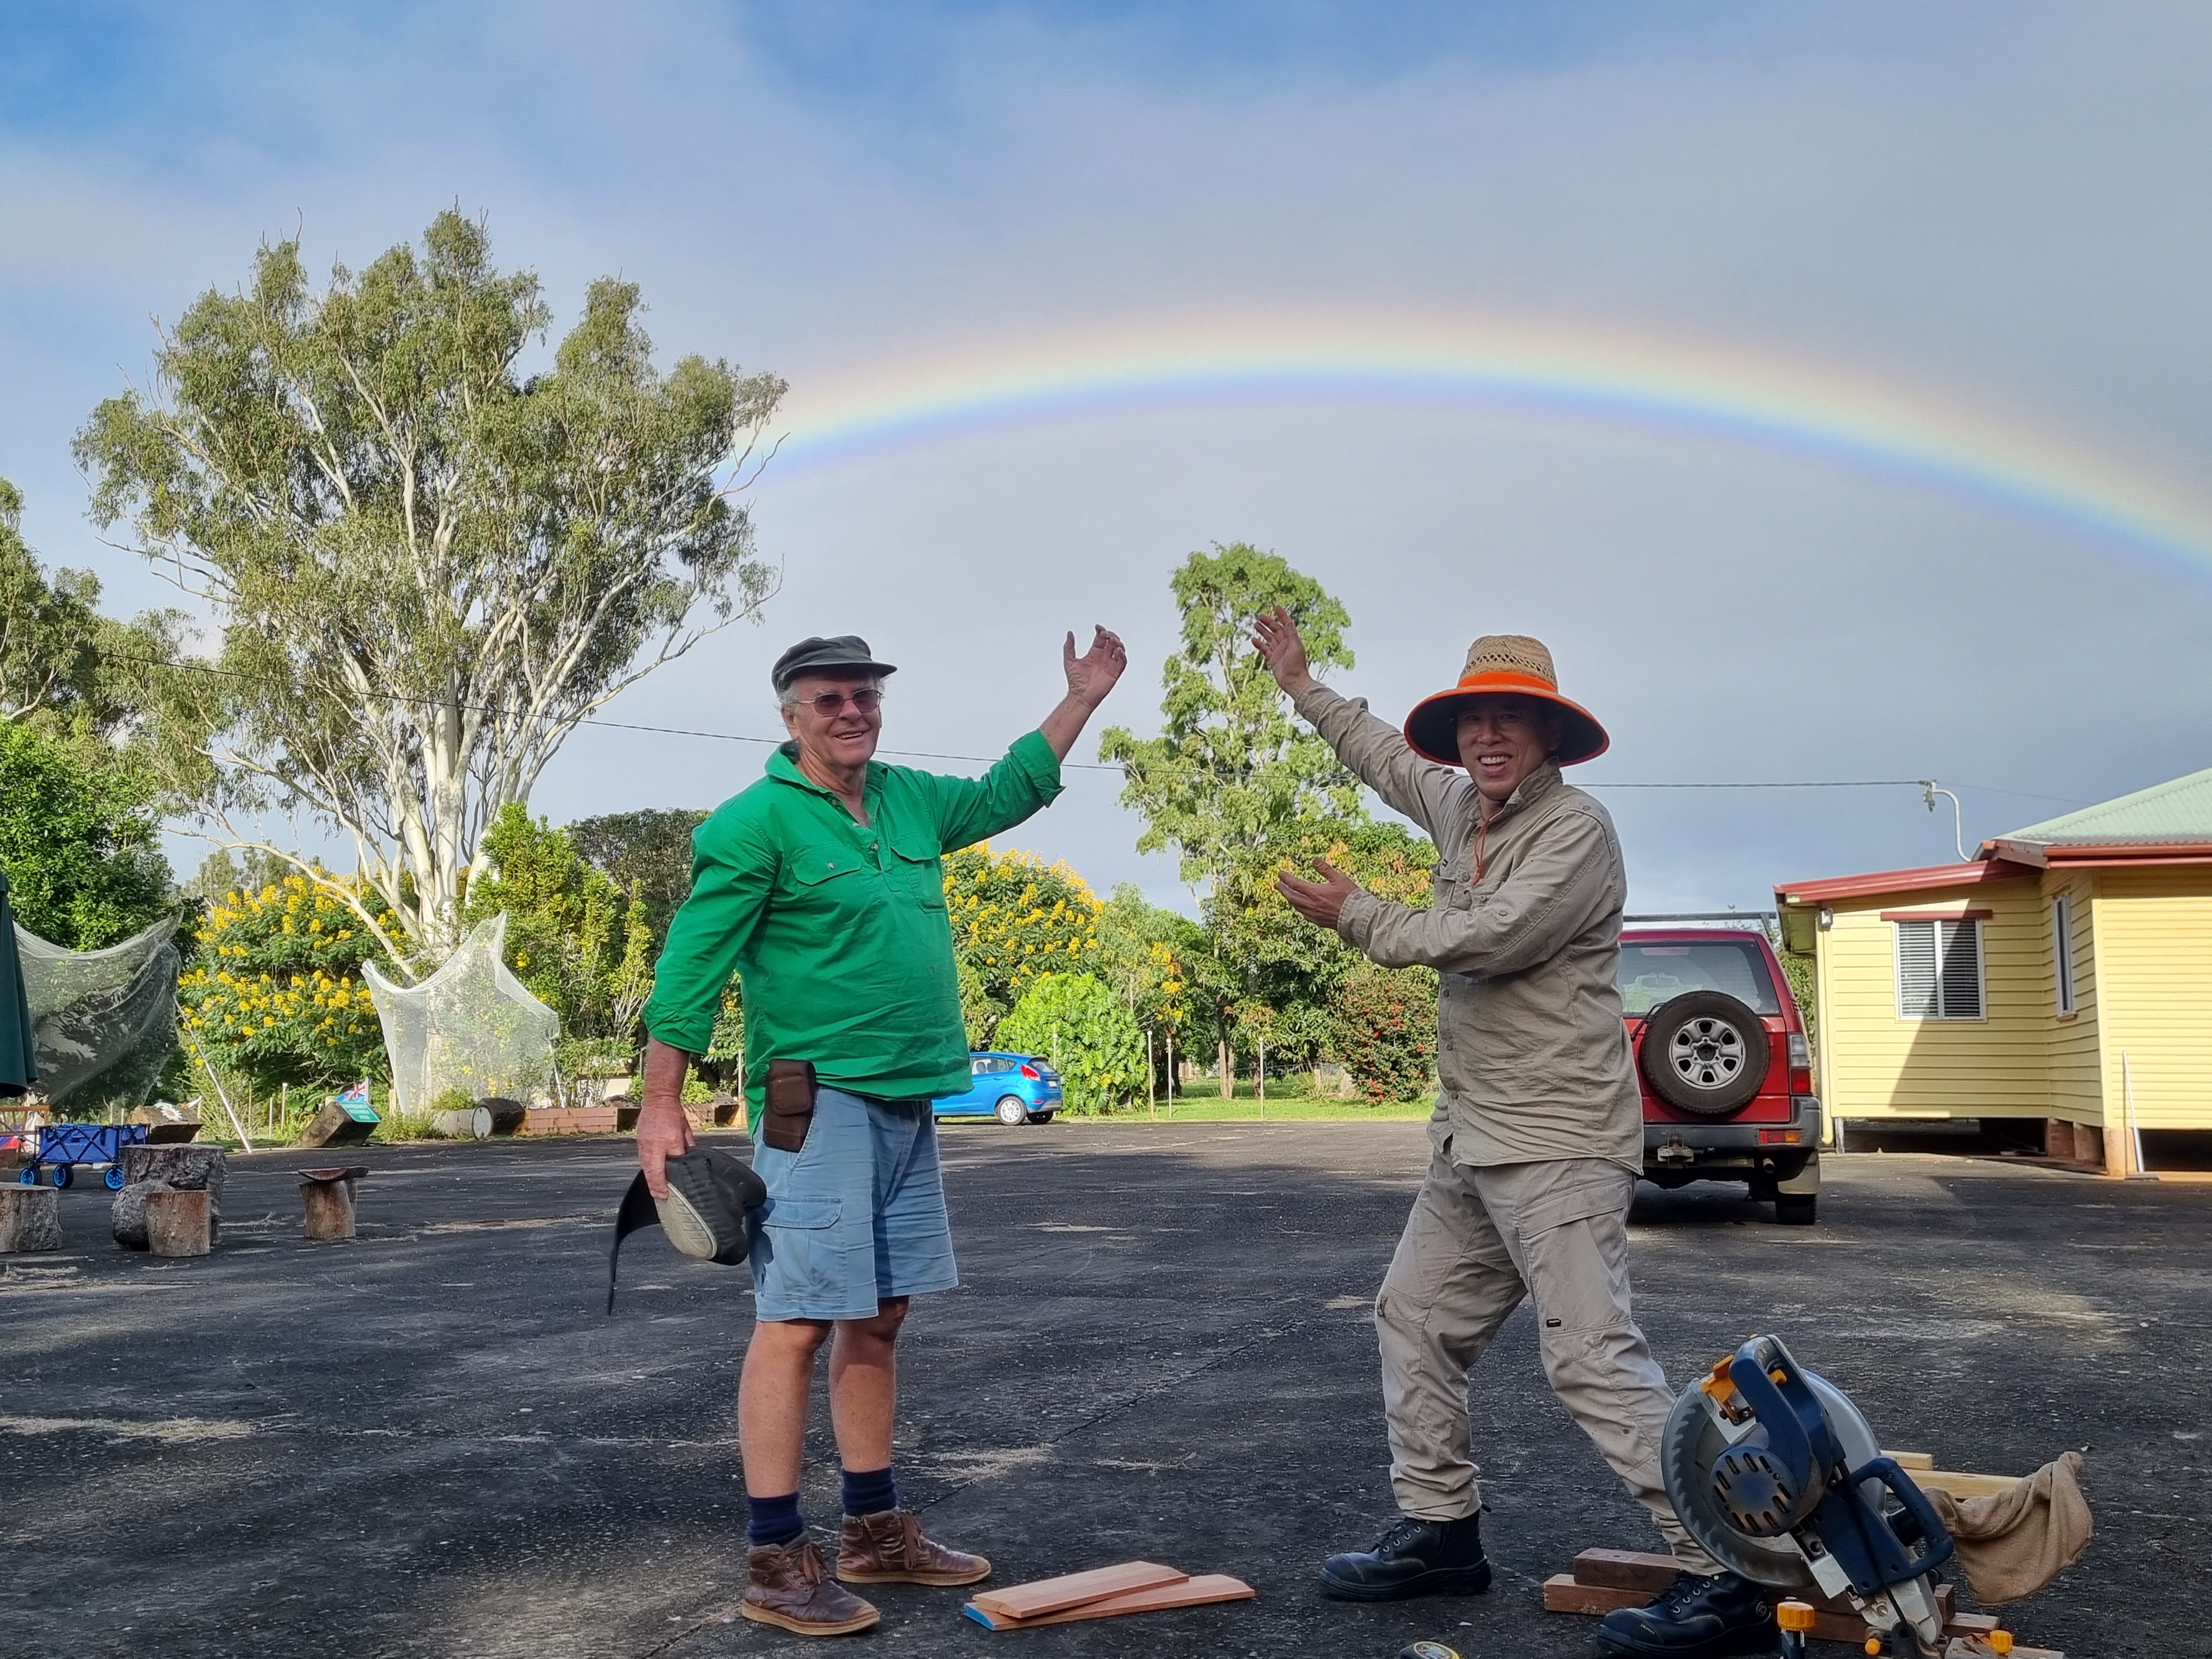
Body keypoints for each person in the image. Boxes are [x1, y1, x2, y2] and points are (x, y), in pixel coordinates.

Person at [1251, 610, 1778, 1659]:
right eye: (1474, 720)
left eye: (1512, 721)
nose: (1488, 738)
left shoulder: (1576, 832)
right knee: (1413, 1316)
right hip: (1472, 1139)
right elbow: (1382, 757)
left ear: (1549, 738)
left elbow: (1490, 937)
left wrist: (1363, 915)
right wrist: (1303, 687)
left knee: (1590, 1359)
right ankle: (1442, 1533)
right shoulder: (1457, 805)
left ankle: (1737, 1576)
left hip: (1560, 1143)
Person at [636, 627, 1127, 1639]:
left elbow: (1007, 791)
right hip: (817, 1101)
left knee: (884, 1312)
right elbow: (692, 964)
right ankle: (775, 1559)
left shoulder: (907, 799)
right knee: (797, 1319)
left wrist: (1081, 698)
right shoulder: (754, 824)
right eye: (830, 699)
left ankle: (873, 1531)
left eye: (864, 694)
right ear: (791, 717)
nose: (853, 711)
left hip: (911, 1097)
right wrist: (660, 1101)